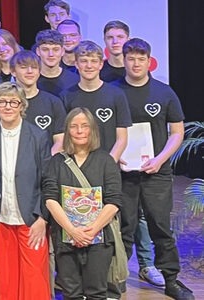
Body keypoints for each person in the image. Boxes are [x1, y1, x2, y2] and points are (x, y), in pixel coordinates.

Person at [114, 38, 194, 300]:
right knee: (123, 227)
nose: (136, 63)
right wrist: (114, 157)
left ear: (149, 61)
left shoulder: (164, 93)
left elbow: (177, 132)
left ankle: (171, 280)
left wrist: (160, 159)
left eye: (141, 58)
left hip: (156, 172)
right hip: (122, 173)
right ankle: (117, 279)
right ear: (123, 60)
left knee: (160, 226)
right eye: (131, 58)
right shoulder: (113, 92)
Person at [0, 83, 52, 299]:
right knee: (6, 278)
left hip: (31, 219)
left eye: (13, 102)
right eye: (2, 101)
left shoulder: (38, 136)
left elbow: (48, 180)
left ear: (22, 105)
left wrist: (43, 218)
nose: (8, 106)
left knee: (34, 279)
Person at [41, 108, 121, 300]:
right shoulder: (56, 162)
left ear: (92, 130)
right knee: (71, 292)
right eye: (74, 126)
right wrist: (72, 230)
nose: (79, 131)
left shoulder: (106, 161)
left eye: (84, 126)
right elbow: (50, 199)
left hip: (99, 239)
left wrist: (92, 230)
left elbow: (114, 201)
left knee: (97, 292)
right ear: (67, 131)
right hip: (65, 238)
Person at [60, 41, 131, 162]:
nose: (89, 66)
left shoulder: (116, 94)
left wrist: (108, 163)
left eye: (93, 61)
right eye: (84, 61)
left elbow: (122, 138)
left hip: (108, 165)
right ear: (76, 64)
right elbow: (63, 137)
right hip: (77, 166)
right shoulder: (66, 96)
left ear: (101, 64)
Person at [10, 50, 66, 153]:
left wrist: (46, 161)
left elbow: (60, 140)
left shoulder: (53, 102)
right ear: (13, 71)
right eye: (24, 67)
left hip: (47, 165)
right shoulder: (6, 104)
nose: (30, 71)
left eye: (34, 67)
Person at [34, 29, 79, 97]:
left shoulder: (75, 80)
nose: (51, 54)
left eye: (56, 49)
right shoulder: (30, 79)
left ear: (62, 51)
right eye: (45, 49)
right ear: (38, 51)